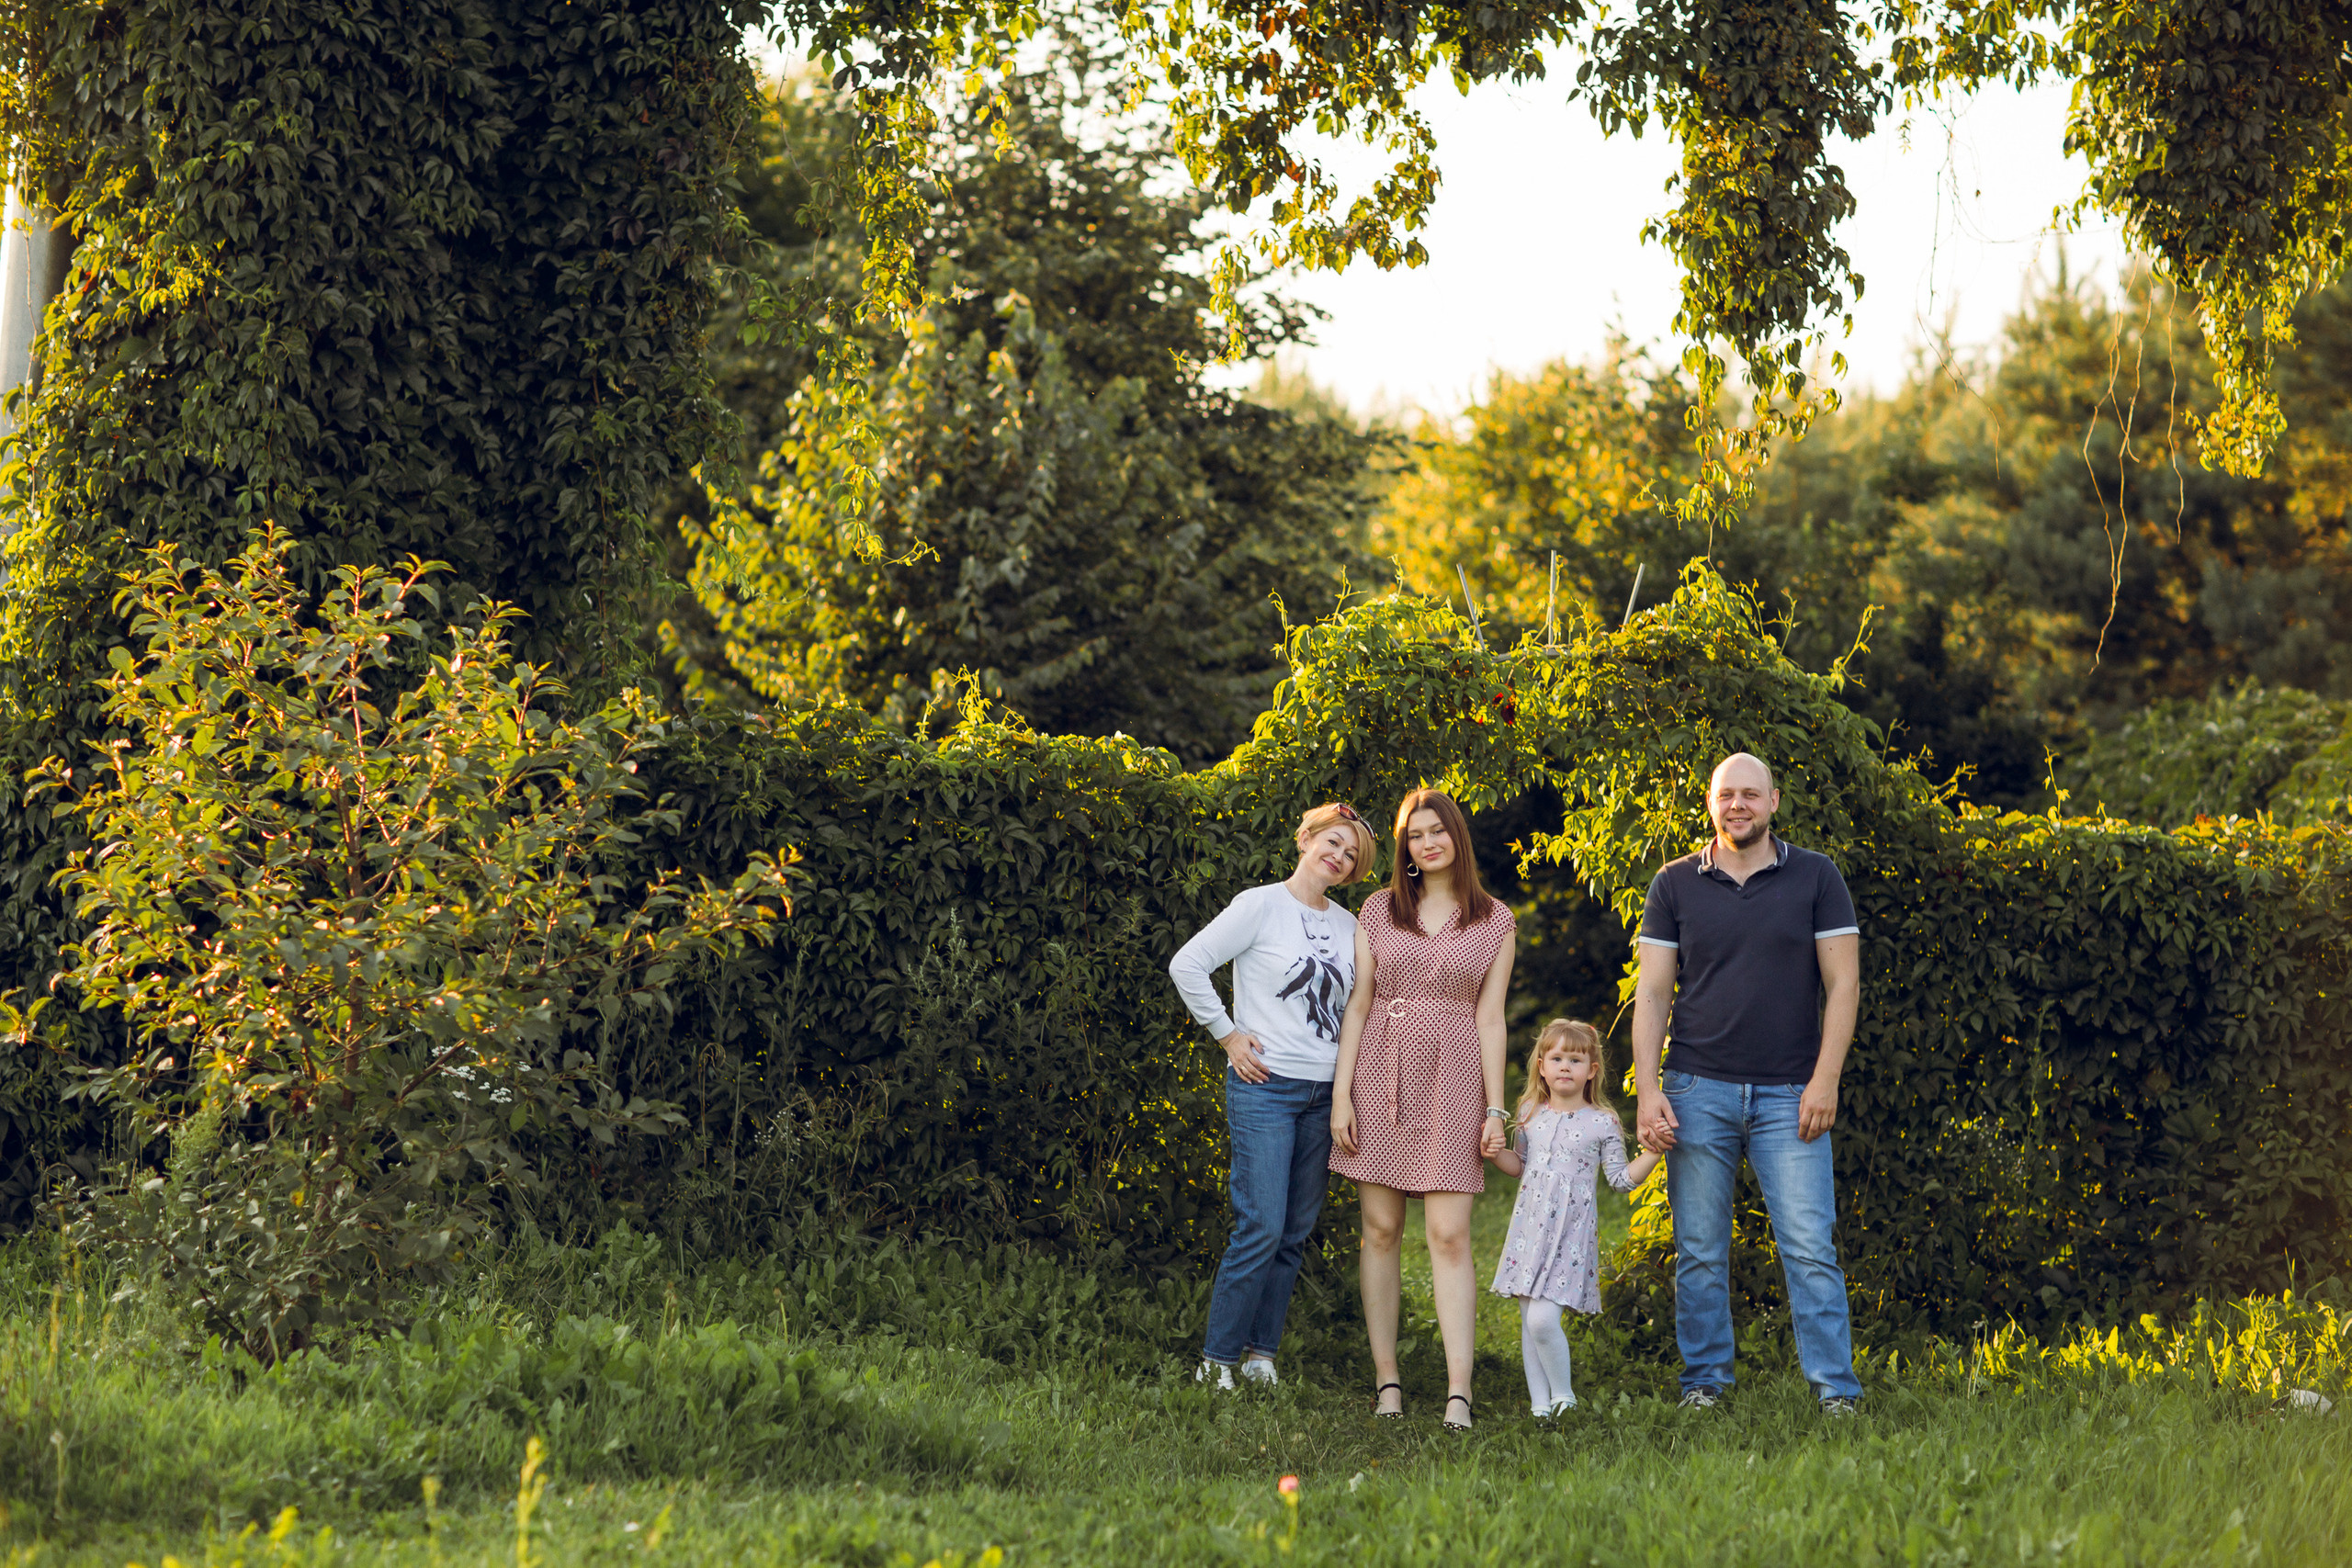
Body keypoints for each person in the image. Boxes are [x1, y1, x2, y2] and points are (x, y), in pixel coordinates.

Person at [1632, 752, 1865, 1413]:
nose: (1738, 805)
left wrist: (1826, 1079)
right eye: (1726, 794)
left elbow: (1843, 983)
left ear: (1774, 801)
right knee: (1700, 1248)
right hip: (1695, 1086)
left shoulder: (1817, 876)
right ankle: (1704, 1382)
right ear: (1710, 802)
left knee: (1810, 1247)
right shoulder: (1675, 883)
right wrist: (1650, 1090)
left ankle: (1835, 1391)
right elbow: (1652, 995)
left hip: (1792, 1093)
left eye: (1751, 794)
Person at [1170, 802, 1377, 1389]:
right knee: (1259, 1224)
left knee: (1293, 1230)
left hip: (1325, 1093)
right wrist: (1229, 1036)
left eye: (1351, 854)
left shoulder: (1348, 925)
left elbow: (1355, 1010)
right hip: (1267, 1088)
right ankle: (1217, 1362)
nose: (1338, 857)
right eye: (1331, 843)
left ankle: (1262, 1356)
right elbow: (1188, 965)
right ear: (1305, 838)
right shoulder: (1258, 904)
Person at [1329, 788, 1515, 1429]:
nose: (1427, 842)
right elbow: (1358, 1004)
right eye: (1415, 833)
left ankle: (1458, 1391)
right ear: (1404, 847)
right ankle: (1388, 1382)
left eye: (1438, 831)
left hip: (1455, 1076)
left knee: (1449, 1234)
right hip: (1381, 1068)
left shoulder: (1494, 919)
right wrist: (1340, 1095)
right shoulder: (1378, 910)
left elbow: (1492, 1020)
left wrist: (1497, 1109)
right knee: (1380, 1230)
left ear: (1457, 838)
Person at [1488, 1019, 1660, 1416]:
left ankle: (1565, 1396)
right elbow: (1521, 1165)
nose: (1565, 1066)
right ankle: (1540, 1407)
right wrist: (1495, 1152)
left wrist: (1654, 1153)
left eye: (1576, 1059)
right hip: (1530, 1230)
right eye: (1557, 1058)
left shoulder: (1603, 1121)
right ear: (1542, 1067)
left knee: (1544, 1320)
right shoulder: (1530, 1112)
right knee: (1530, 1319)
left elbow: (1620, 1179)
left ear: (1592, 1071)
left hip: (1569, 1234)